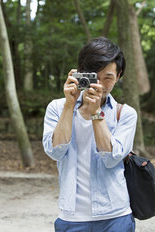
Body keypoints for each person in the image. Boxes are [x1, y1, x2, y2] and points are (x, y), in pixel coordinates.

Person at [43, 37, 137, 232]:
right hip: (71, 216)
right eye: (94, 77)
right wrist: (70, 105)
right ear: (80, 72)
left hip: (115, 216)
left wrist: (96, 113)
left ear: (119, 76)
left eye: (108, 78)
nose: (100, 85)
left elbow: (113, 158)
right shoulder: (57, 107)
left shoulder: (125, 114)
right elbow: (55, 152)